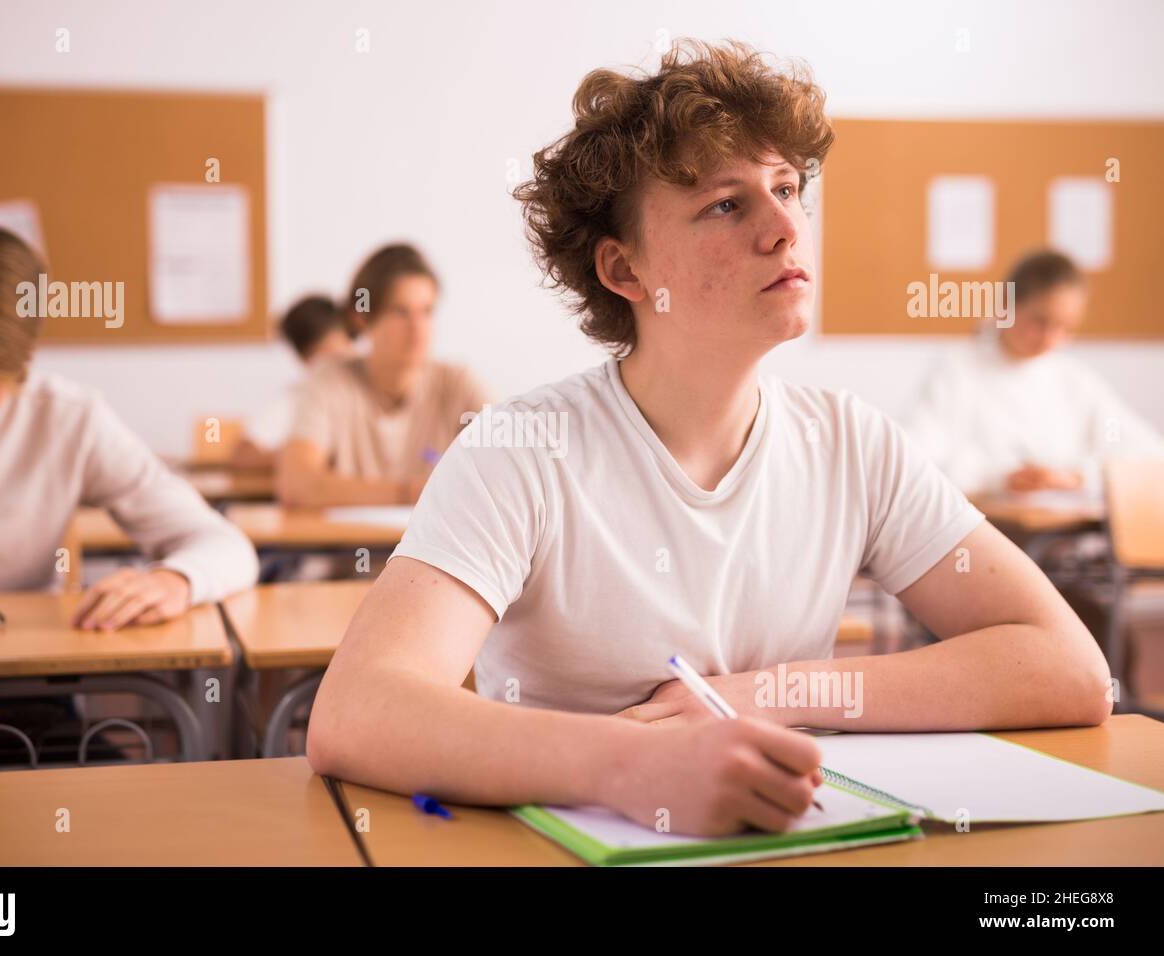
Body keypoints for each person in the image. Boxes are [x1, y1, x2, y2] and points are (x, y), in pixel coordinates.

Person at [306, 40, 1111, 838]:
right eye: (728, 204)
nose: (786, 228)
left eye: (788, 188)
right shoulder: (524, 449)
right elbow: (358, 712)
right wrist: (627, 765)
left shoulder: (852, 443)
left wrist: (766, 695)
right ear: (626, 272)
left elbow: (1072, 671)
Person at [0, 222, 258, 631]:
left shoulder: (68, 418)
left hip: (31, 675)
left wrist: (175, 580)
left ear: (28, 357)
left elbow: (226, 545)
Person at [904, 249, 1164, 497]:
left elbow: (1133, 444)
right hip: (990, 528)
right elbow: (919, 459)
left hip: (1065, 528)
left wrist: (1078, 476)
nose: (1050, 339)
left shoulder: (1071, 379)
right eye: (1040, 322)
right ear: (1007, 304)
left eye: (1066, 327)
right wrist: (998, 478)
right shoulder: (958, 371)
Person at [275, 243, 489, 507]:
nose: (418, 329)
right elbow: (298, 485)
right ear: (362, 319)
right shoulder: (330, 381)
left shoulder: (458, 383)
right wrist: (411, 493)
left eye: (427, 311)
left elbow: (507, 469)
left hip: (437, 547)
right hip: (348, 545)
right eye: (400, 312)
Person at [231, 294, 355, 469]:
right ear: (304, 360)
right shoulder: (298, 398)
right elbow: (242, 455)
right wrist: (302, 454)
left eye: (341, 351)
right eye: (324, 356)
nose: (333, 364)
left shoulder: (373, 389)